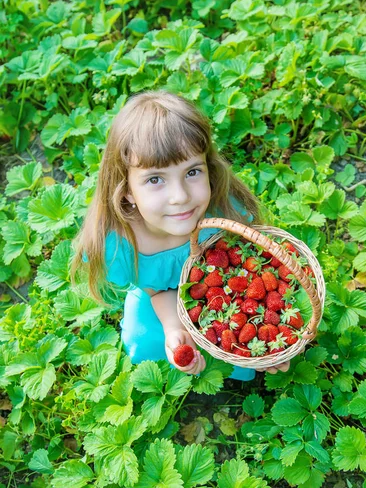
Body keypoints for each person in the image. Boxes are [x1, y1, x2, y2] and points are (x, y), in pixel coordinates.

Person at [71, 90, 290, 381]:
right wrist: (175, 327)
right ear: (127, 191)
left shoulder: (222, 215)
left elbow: (242, 279)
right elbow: (156, 288)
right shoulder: (121, 244)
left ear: (208, 169)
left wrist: (269, 334)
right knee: (143, 338)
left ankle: (233, 358)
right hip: (159, 295)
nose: (180, 196)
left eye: (192, 172)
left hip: (221, 296)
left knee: (237, 350)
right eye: (155, 179)